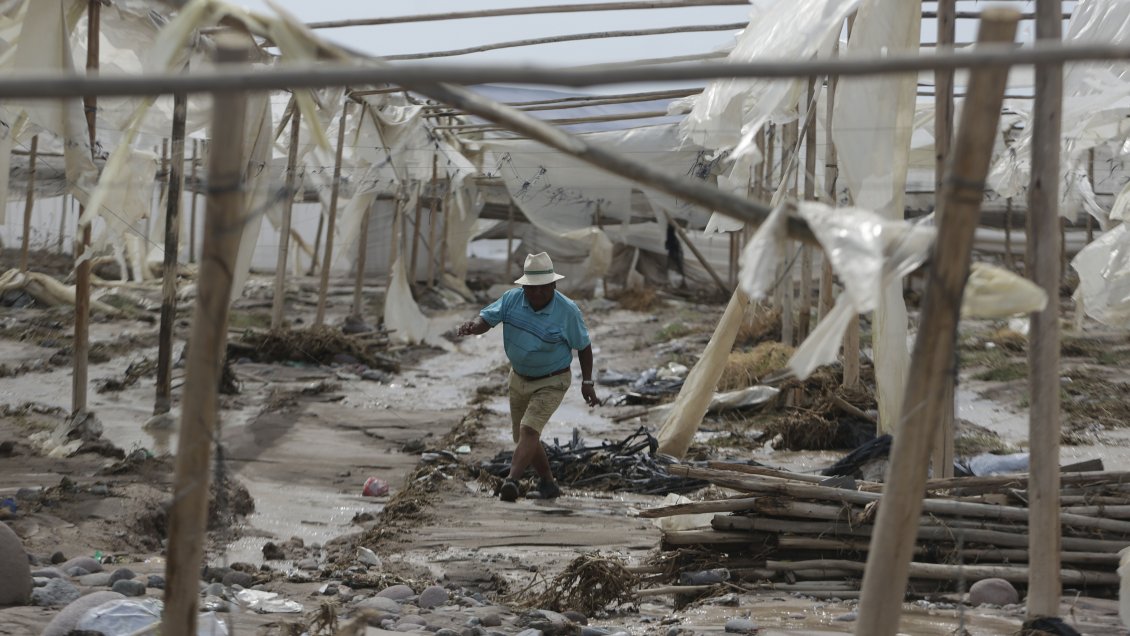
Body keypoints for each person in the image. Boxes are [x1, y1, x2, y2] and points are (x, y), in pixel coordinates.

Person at [456, 252, 600, 502]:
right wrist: (473, 326)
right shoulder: (512, 300)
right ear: (524, 286)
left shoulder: (567, 311)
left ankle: (511, 481)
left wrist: (587, 383)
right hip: (519, 377)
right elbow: (487, 319)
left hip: (552, 381)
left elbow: (583, 346)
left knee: (529, 429)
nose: (537, 294)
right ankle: (548, 483)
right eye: (531, 289)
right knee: (523, 437)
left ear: (553, 285)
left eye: (543, 289)